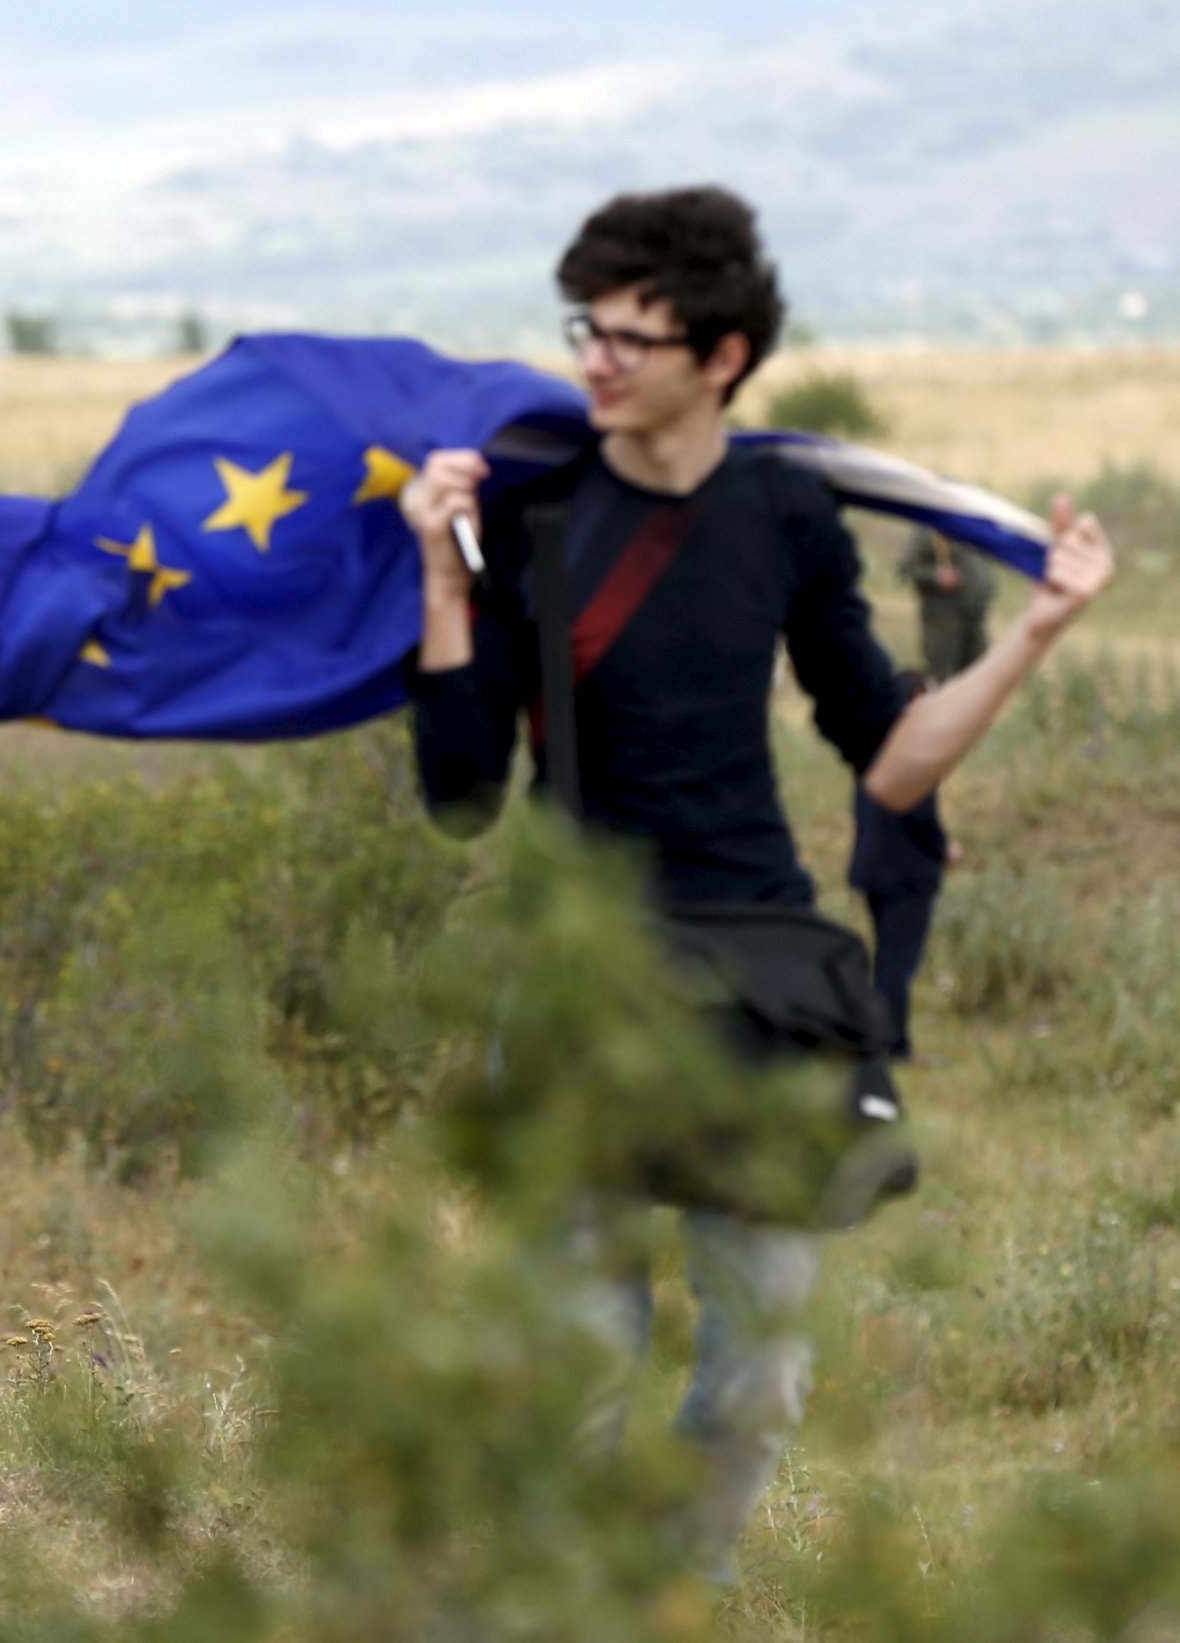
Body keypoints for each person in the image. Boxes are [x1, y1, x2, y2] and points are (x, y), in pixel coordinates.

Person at [398, 186, 1113, 1580]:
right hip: (576, 985)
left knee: (761, 1374)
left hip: (759, 987)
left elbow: (893, 764)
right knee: (581, 1369)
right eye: (585, 330)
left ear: (721, 357)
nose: (594, 360)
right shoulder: (536, 508)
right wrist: (441, 574)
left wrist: (1032, 633)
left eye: (630, 338)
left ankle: (676, 1586)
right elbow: (459, 796)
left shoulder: (787, 511)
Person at [849, 673, 954, 1062]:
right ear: (915, 698)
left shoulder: (868, 743)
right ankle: (892, 1047)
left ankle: (876, 1039)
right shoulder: (914, 749)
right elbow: (919, 813)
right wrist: (943, 847)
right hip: (906, 872)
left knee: (885, 960)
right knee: (898, 965)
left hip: (871, 867)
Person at [900, 526, 994, 680]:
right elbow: (908, 567)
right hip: (944, 618)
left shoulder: (971, 529)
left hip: (974, 616)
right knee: (942, 676)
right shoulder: (931, 530)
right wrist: (935, 576)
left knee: (978, 674)